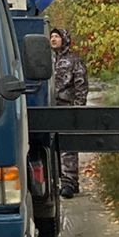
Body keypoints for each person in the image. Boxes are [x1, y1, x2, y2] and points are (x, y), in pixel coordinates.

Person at [50, 26, 89, 198]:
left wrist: (79, 108)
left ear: (64, 39)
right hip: (50, 108)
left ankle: (70, 182)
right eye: (51, 36)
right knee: (53, 145)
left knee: (68, 146)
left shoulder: (74, 60)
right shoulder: (46, 60)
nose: (53, 39)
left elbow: (81, 85)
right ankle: (58, 181)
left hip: (67, 107)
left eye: (57, 36)